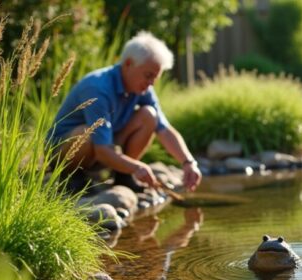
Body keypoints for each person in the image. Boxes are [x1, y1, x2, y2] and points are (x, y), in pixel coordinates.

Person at [47, 31, 201, 193]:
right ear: (128, 64)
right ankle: (72, 177)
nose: (151, 84)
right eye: (148, 76)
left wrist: (188, 162)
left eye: (155, 78)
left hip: (104, 146)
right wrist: (137, 167)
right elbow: (101, 149)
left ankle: (123, 177)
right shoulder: (97, 88)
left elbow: (164, 129)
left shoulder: (142, 88)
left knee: (149, 115)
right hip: (66, 152)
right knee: (87, 133)